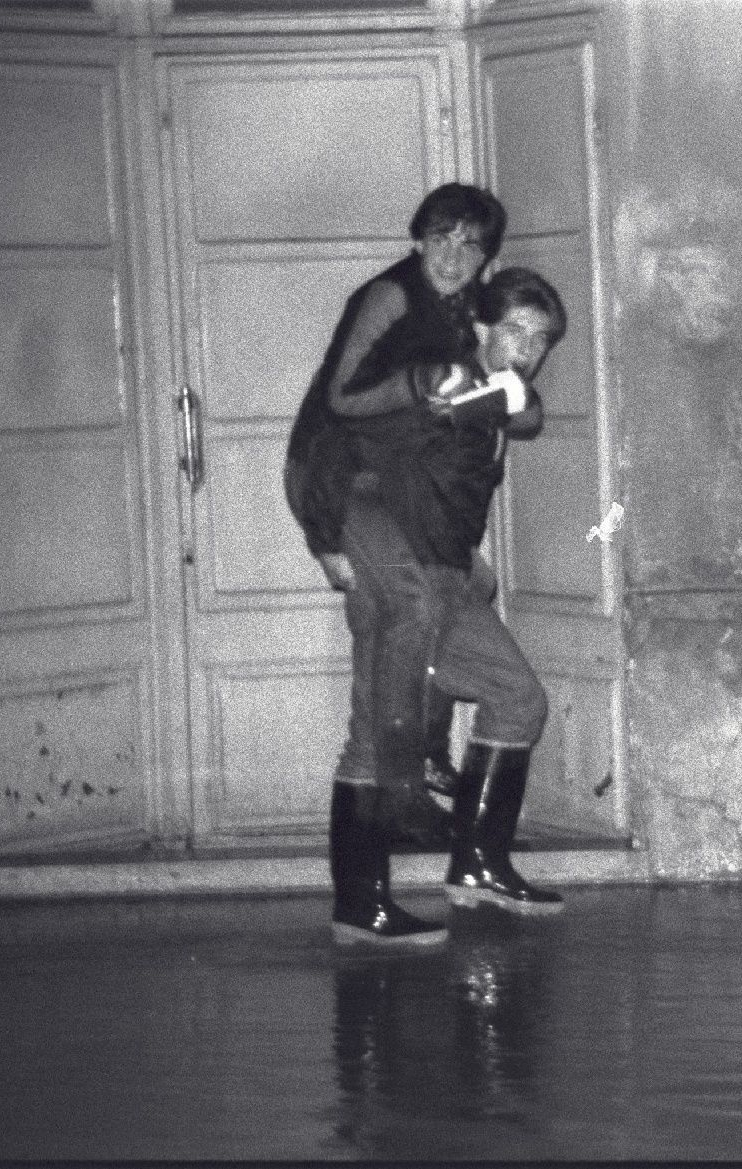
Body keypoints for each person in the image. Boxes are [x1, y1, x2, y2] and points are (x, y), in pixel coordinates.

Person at [284, 183, 505, 947]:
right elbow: (343, 397)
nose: (454, 255)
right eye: (442, 238)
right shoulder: (389, 295)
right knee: (410, 605)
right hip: (346, 480)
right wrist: (423, 386)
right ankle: (406, 789)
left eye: (471, 244)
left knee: (469, 585)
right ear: (418, 240)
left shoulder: (458, 317)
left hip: (398, 493)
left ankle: (365, 891)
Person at [330, 266, 567, 926]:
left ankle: (472, 866)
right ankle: (363, 902)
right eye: (514, 330)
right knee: (381, 734)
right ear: (481, 328)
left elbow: (524, 412)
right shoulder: (442, 385)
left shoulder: (496, 388)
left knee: (510, 700)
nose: (528, 348)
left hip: (440, 574)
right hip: (402, 576)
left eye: (541, 338)